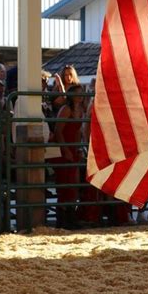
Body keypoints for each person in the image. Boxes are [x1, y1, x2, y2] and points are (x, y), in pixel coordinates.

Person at [51, 83, 86, 229]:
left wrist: (78, 147)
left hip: (73, 147)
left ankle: (71, 216)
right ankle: (63, 219)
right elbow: (58, 131)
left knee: (74, 182)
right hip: (64, 148)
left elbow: (78, 131)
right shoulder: (66, 109)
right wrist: (65, 149)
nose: (80, 96)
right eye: (77, 93)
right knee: (65, 183)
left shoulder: (80, 110)